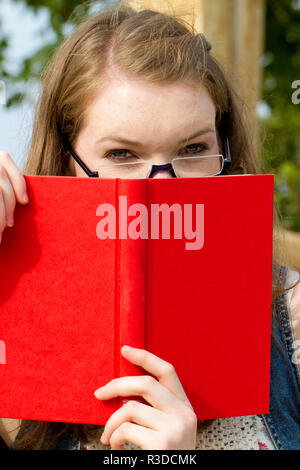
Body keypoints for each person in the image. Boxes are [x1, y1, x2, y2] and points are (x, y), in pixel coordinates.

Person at [0, 1, 300, 451]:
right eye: (122, 155)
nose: (160, 187)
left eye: (194, 148)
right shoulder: (15, 317)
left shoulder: (291, 316)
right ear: (67, 163)